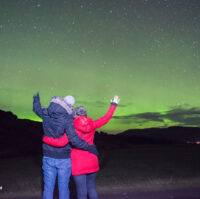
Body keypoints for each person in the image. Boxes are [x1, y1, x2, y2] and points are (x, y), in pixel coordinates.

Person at [43, 95, 120, 199]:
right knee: (91, 187)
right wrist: (114, 104)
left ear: (75, 114)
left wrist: (46, 139)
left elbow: (61, 143)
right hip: (92, 159)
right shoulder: (92, 124)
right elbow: (106, 118)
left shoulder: (71, 127)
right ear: (86, 114)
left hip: (78, 162)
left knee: (81, 191)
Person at [33, 93, 98, 199]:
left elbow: (36, 109)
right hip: (64, 158)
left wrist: (36, 99)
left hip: (48, 156)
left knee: (48, 188)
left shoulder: (46, 112)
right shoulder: (68, 119)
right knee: (63, 187)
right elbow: (74, 139)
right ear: (70, 106)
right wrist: (88, 147)